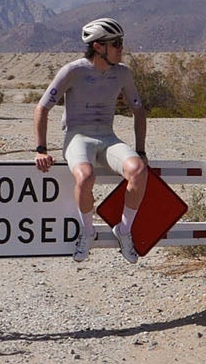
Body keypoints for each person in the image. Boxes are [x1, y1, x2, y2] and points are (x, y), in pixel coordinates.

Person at [33, 17, 149, 263]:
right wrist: (41, 149)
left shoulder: (123, 74)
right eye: (115, 43)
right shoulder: (73, 71)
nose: (121, 48)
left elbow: (138, 110)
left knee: (138, 170)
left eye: (121, 42)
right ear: (98, 47)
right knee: (85, 177)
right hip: (78, 135)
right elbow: (42, 108)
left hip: (107, 136)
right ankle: (87, 231)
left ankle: (124, 230)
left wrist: (141, 150)